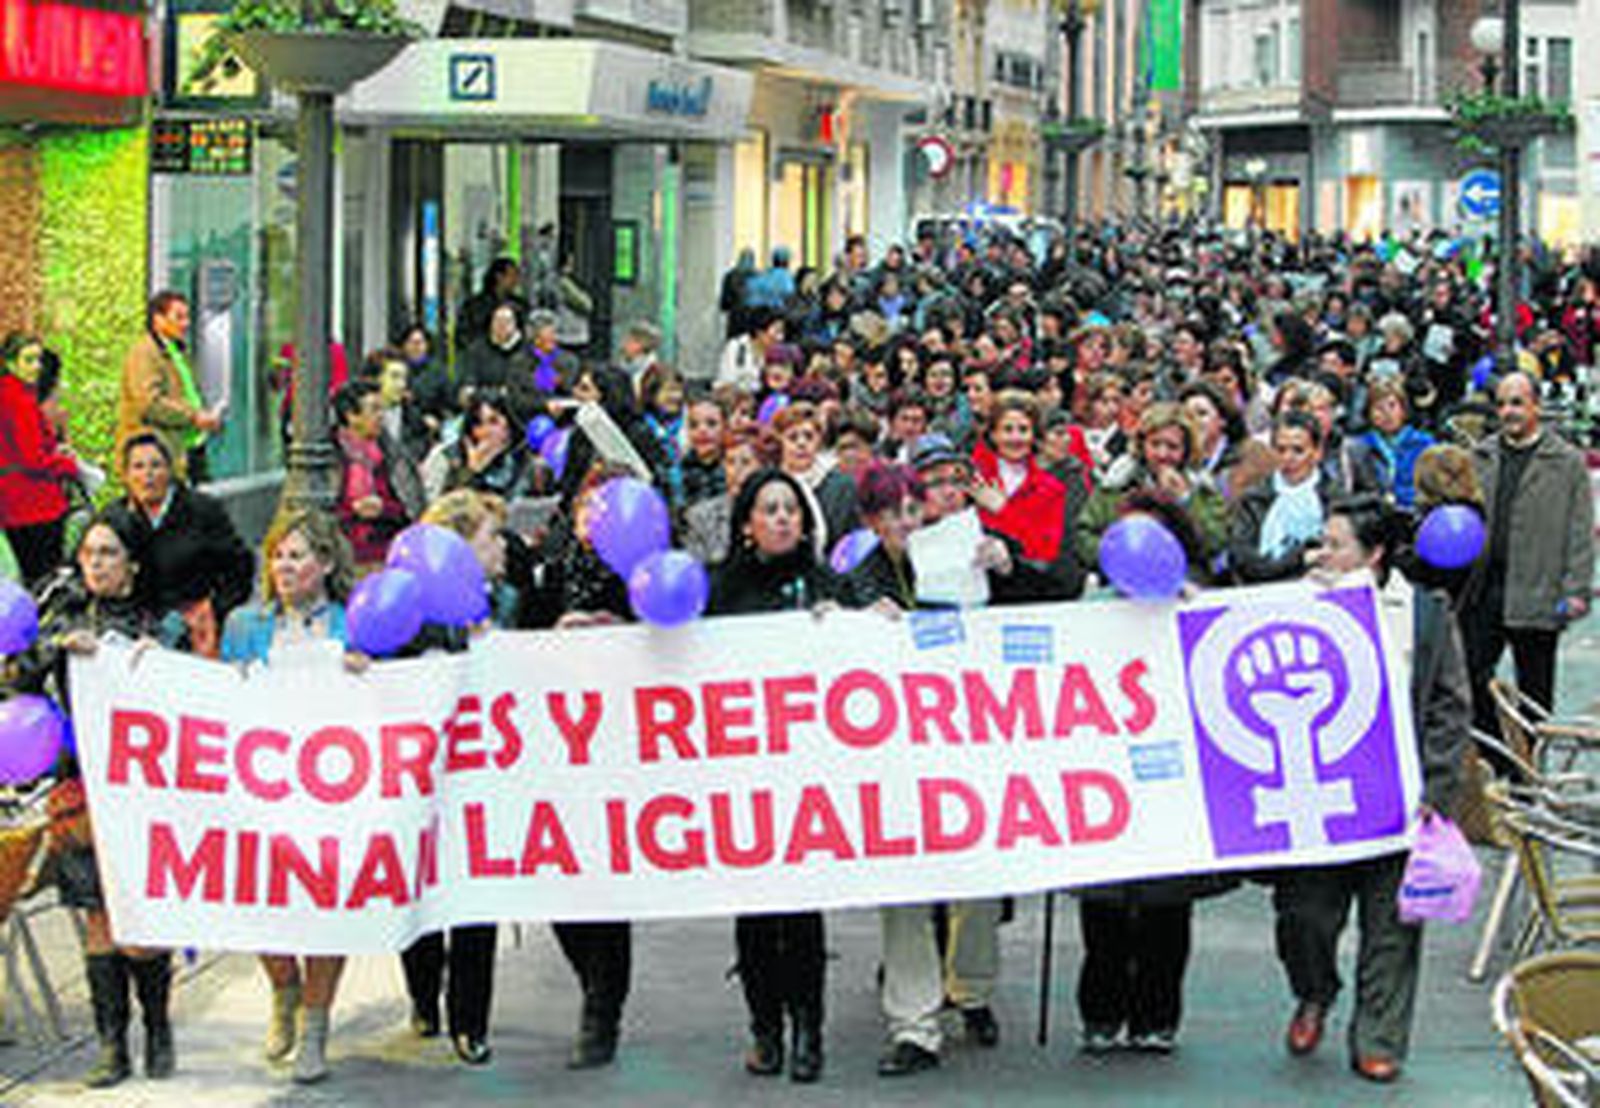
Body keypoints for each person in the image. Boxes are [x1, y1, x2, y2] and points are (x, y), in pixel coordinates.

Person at [1275, 495, 1470, 1084]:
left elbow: (1449, 706)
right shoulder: (1299, 602)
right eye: (1322, 543)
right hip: (1320, 799)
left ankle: (1378, 1037)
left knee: (1392, 928)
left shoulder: (1425, 612)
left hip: (1398, 802)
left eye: (1336, 545)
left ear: (1374, 554)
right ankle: (1314, 991)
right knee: (1304, 916)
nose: (1322, 554)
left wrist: (1433, 788)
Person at [12, 510, 185, 1088]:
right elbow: (19, 683)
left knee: (140, 922)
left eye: (109, 553)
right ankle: (112, 1045)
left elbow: (189, 694)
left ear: (132, 563)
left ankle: (158, 1027)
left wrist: (150, 659)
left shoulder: (161, 623)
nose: (97, 564)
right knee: (95, 918)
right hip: (78, 788)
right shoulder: (61, 617)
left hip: (143, 791)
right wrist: (59, 646)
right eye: (89, 554)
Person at [708, 469, 840, 1084]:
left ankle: (809, 1028)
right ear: (747, 524)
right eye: (771, 509)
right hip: (744, 779)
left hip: (808, 778)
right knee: (757, 916)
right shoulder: (720, 590)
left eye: (792, 508)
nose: (784, 518)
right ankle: (765, 1028)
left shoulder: (828, 585)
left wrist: (868, 622)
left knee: (804, 916)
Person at [219, 509, 359, 1084]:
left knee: (325, 912)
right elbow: (219, 695)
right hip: (264, 787)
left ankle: (316, 1026)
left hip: (333, 791)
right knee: (263, 905)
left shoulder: (353, 623)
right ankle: (284, 991)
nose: (284, 565)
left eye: (297, 555)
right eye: (277, 554)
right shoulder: (244, 624)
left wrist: (365, 672)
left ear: (325, 564)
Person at [397, 491, 508, 1066]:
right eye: (490, 536)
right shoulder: (407, 611)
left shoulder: (505, 601)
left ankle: (471, 1020)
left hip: (482, 777)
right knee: (418, 889)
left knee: (474, 898)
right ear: (459, 547)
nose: (501, 547)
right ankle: (423, 995)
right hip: (419, 782)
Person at [1460, 372, 1595, 743]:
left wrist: (1577, 588)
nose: (1508, 411)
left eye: (1517, 402)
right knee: (1473, 679)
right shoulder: (1482, 455)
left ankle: (1527, 772)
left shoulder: (1566, 463)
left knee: (1535, 693)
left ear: (1536, 405)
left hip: (1539, 590)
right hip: (1484, 589)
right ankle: (1496, 759)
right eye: (1502, 403)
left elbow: (1580, 530)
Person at [114, 433, 254, 657]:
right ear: (126, 476)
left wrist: (214, 609)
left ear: (170, 470)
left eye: (155, 466)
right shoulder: (116, 517)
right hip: (136, 627)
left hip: (194, 626)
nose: (147, 475)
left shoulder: (203, 510)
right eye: (138, 467)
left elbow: (240, 567)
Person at [115, 291, 222, 483]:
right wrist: (193, 417)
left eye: (187, 317)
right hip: (158, 454)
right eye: (178, 317)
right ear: (158, 319)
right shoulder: (145, 353)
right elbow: (149, 403)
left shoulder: (177, 350)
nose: (185, 323)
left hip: (188, 447)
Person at [0, 332, 76, 583]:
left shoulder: (10, 393)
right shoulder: (18, 400)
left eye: (39, 360)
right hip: (34, 503)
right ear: (10, 363)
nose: (37, 367)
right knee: (45, 580)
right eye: (29, 360)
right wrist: (67, 465)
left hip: (12, 502)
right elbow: (33, 459)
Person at [1229, 412, 1340, 584]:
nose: (1288, 458)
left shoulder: (1335, 498)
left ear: (1318, 452)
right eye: (1281, 449)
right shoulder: (1253, 499)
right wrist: (1299, 559)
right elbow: (1244, 561)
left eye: (1298, 450)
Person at [969, 390, 1068, 564]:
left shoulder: (1052, 488)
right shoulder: (975, 479)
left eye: (1023, 430)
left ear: (1034, 434)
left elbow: (1046, 550)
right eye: (1007, 429)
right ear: (993, 434)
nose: (1016, 438)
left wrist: (1003, 510)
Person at [333, 381, 415, 570]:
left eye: (382, 410)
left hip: (389, 553)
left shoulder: (393, 456)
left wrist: (384, 508)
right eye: (374, 410)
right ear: (352, 416)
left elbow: (411, 508)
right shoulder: (331, 456)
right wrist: (353, 510)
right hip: (344, 556)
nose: (381, 417)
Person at [772, 402, 858, 553]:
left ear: (819, 440)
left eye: (808, 436)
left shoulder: (843, 486)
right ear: (781, 442)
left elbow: (850, 541)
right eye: (792, 437)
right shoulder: (770, 485)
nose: (801, 443)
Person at [1357, 379, 1434, 510]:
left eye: (1392, 406)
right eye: (1378, 408)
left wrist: (1398, 497)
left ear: (1403, 410)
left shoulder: (1424, 443)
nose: (1387, 414)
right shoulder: (1358, 446)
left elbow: (1431, 489)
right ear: (1369, 414)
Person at [456, 258, 530, 352]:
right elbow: (464, 336)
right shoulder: (475, 306)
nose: (516, 280)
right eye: (512, 275)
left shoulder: (520, 305)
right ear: (499, 277)